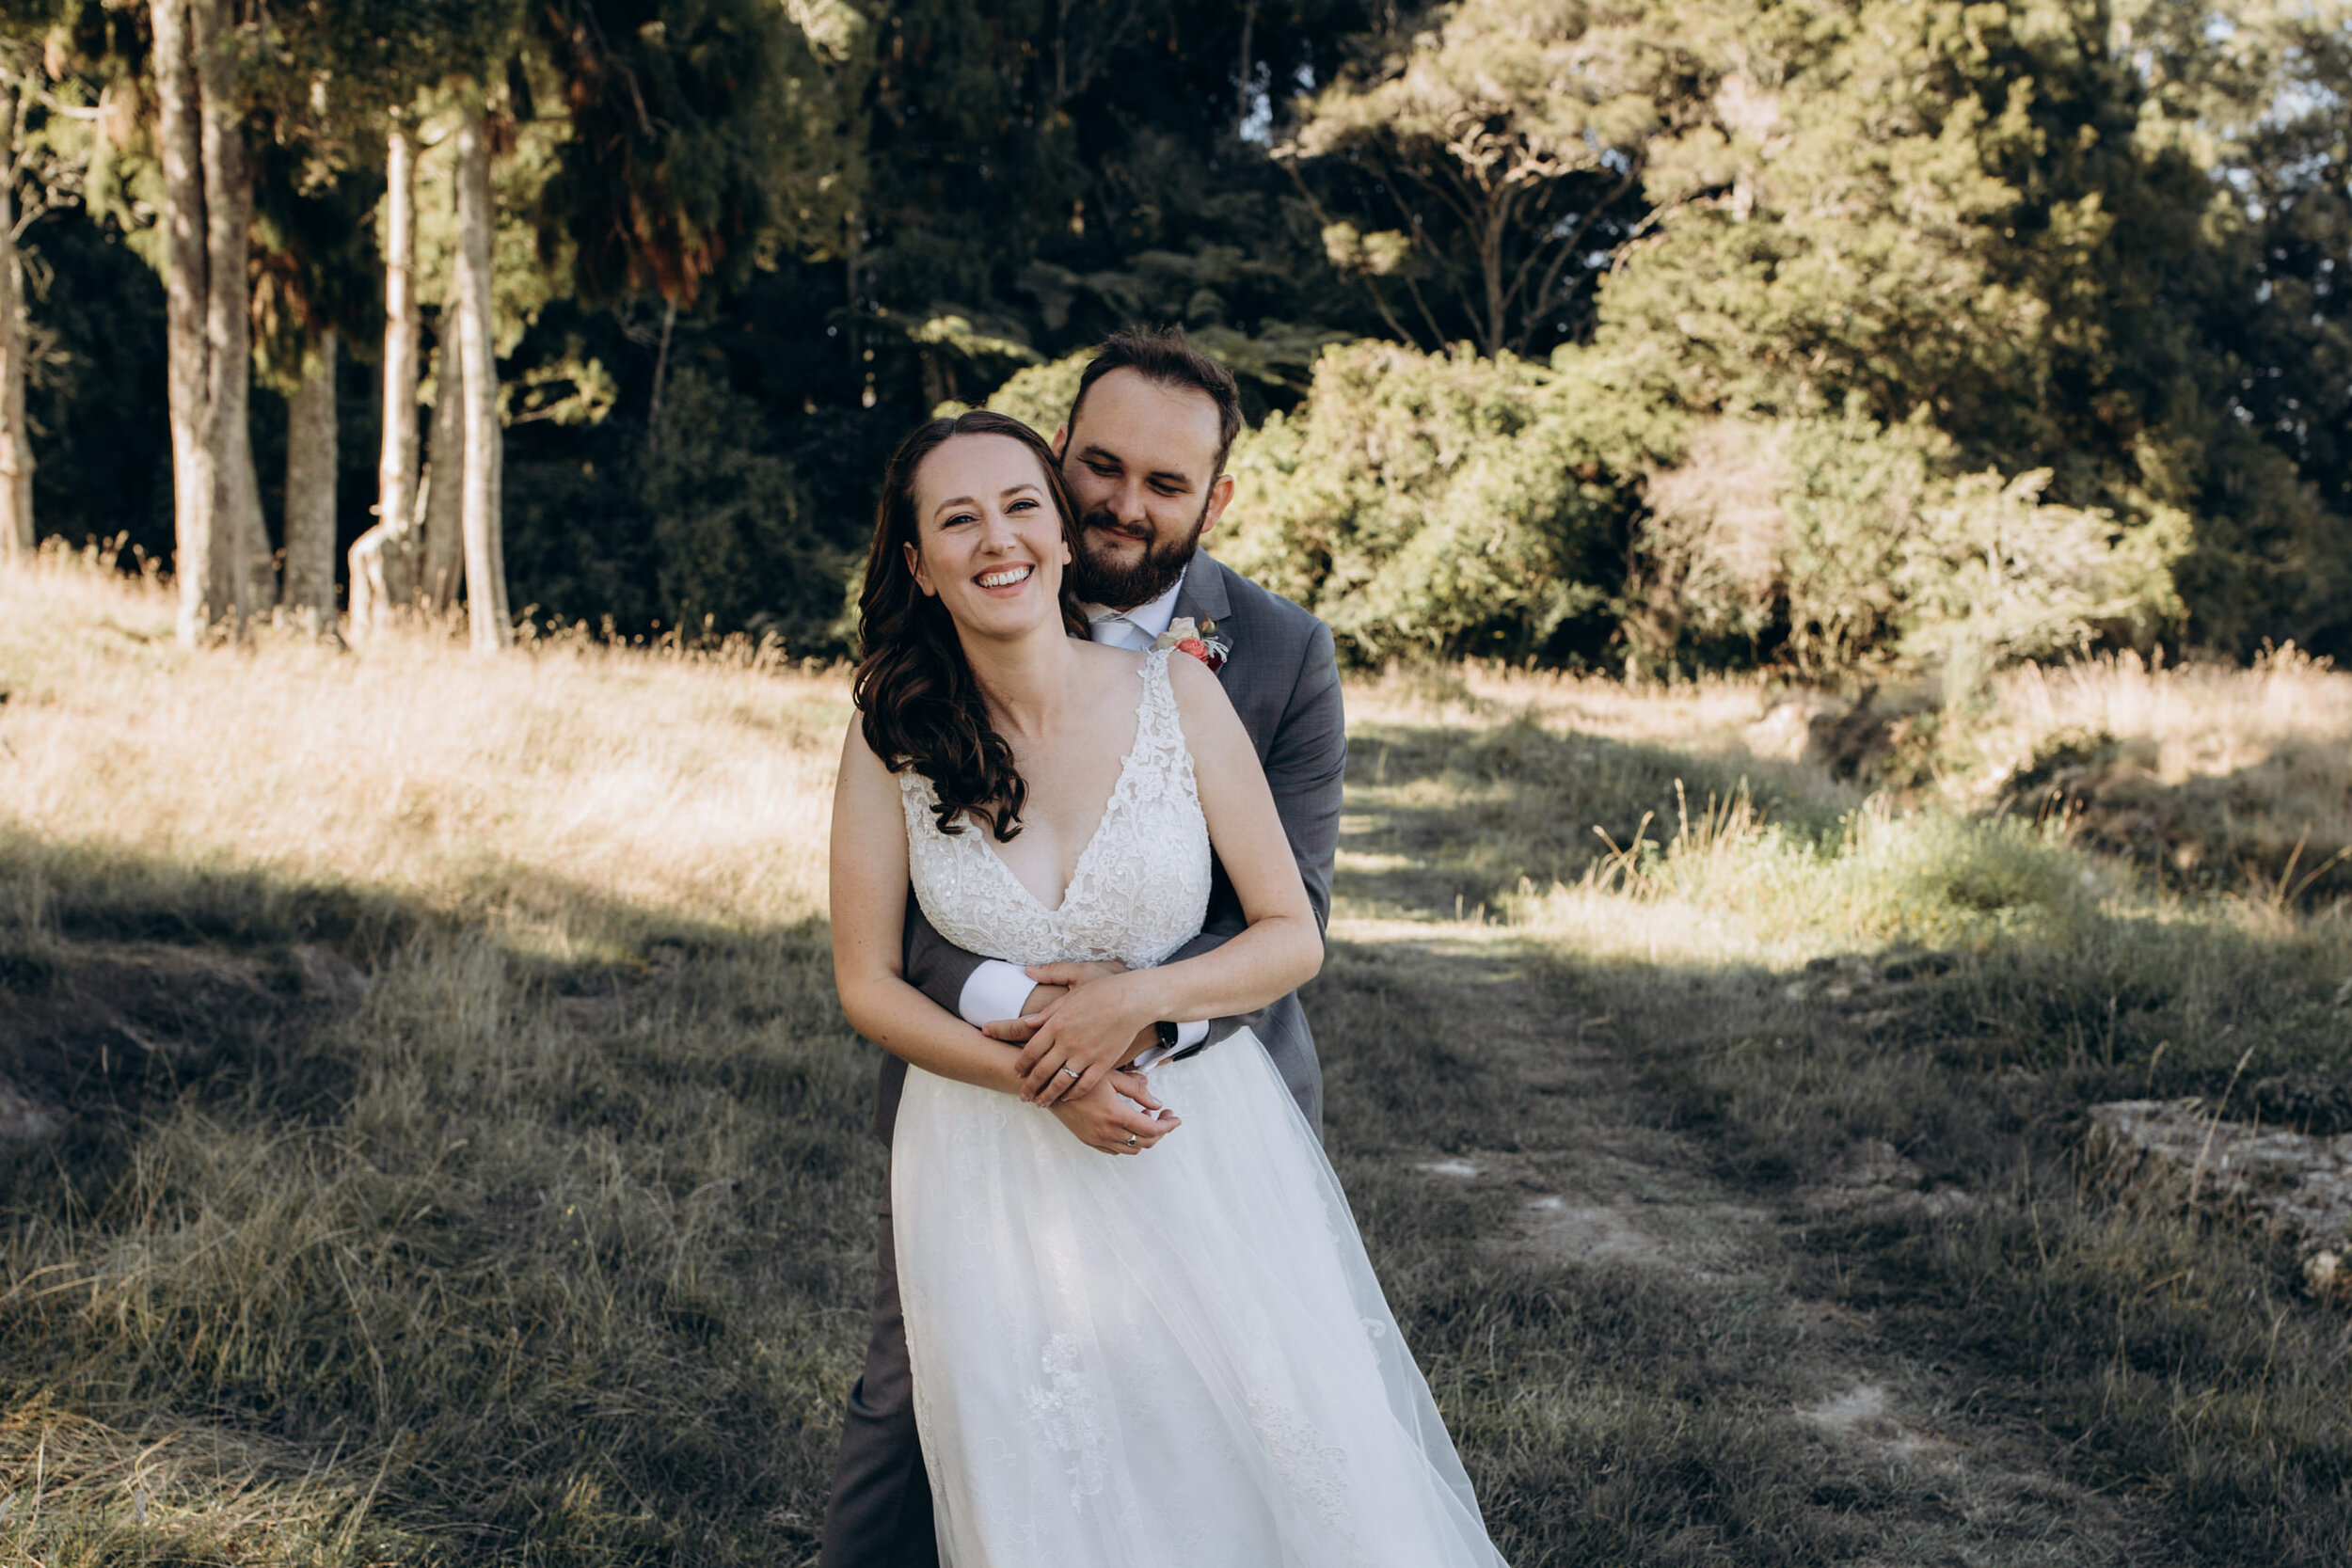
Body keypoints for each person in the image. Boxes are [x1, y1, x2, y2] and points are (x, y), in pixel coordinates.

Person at [825, 395, 1509, 1561]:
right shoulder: (885, 735)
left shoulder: (1177, 693)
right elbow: (870, 985)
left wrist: (1134, 1002)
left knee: (1240, 1444)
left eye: (1019, 507)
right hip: (985, 1154)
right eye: (958, 520)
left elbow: (1291, 930)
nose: (998, 539)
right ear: (918, 563)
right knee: (1039, 1471)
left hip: (1197, 1129)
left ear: (1057, 529)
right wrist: (1047, 1075)